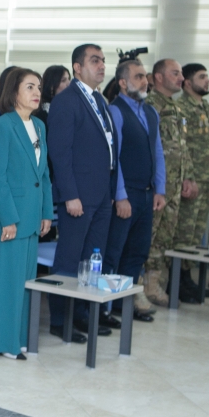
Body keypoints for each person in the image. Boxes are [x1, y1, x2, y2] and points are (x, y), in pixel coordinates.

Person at [46, 44, 117, 343]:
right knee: (69, 260)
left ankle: (82, 316)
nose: (101, 65)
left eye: (103, 60)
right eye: (94, 60)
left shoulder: (99, 99)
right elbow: (60, 154)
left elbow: (108, 149)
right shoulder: (67, 101)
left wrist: (111, 193)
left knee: (92, 261)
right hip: (78, 196)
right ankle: (60, 321)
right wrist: (70, 194)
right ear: (77, 67)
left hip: (101, 196)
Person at [0, 68, 53, 359]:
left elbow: (45, 174)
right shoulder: (1, 126)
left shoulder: (39, 126)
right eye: (29, 87)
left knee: (26, 282)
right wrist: (9, 218)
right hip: (10, 218)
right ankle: (4, 343)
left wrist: (46, 211)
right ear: (13, 92)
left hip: (32, 216)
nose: (37, 92)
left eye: (38, 87)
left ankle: (22, 338)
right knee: (7, 284)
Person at [102, 60, 166, 324]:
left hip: (147, 193)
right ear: (123, 83)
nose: (145, 82)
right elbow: (113, 158)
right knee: (114, 253)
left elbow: (158, 152)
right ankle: (104, 309)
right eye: (138, 77)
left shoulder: (151, 112)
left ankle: (122, 306)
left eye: (145, 77)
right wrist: (120, 196)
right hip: (125, 194)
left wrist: (160, 189)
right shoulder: (115, 111)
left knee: (137, 253)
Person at [142, 59, 196, 307]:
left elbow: (181, 147)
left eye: (182, 73)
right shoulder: (149, 105)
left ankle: (155, 284)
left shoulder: (175, 108)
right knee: (148, 236)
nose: (181, 78)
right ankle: (140, 286)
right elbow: (149, 149)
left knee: (164, 237)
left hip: (175, 185)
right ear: (158, 78)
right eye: (175, 73)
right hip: (158, 187)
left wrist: (188, 176)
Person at [174, 63, 209, 297]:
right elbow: (181, 148)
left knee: (196, 233)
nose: (207, 81)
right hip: (191, 182)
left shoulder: (207, 107)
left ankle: (188, 278)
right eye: (202, 77)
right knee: (184, 233)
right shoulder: (181, 108)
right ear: (187, 82)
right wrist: (189, 177)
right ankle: (178, 280)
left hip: (207, 180)